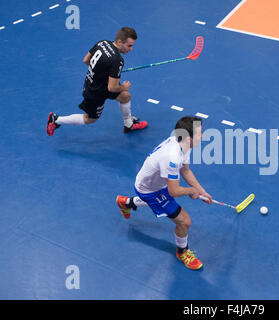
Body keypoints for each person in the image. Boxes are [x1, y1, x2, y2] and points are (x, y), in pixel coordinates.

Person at [116, 116, 213, 270]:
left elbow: (185, 170)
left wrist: (202, 191)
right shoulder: (172, 157)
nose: (203, 136)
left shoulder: (184, 145)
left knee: (164, 203)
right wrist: (192, 191)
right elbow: (173, 191)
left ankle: (126, 202)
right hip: (150, 190)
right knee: (184, 221)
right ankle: (182, 252)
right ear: (189, 138)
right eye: (200, 133)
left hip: (158, 182)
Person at [46, 27, 147, 136]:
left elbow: (86, 60)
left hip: (98, 83)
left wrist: (101, 72)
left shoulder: (103, 43)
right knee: (90, 119)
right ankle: (56, 120)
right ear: (119, 42)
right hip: (95, 92)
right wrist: (124, 86)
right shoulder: (117, 60)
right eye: (129, 46)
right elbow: (112, 88)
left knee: (125, 97)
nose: (131, 49)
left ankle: (128, 125)